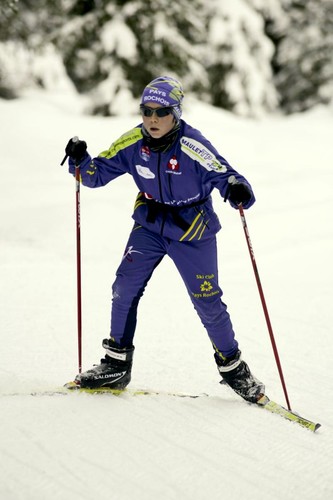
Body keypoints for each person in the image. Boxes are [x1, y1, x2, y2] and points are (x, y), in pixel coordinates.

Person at [64, 76, 265, 403]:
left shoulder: (192, 144)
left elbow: (224, 174)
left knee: (207, 300)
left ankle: (233, 368)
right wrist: (79, 159)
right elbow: (94, 175)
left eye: (161, 112)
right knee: (123, 287)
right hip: (150, 224)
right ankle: (116, 364)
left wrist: (237, 190)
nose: (153, 119)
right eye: (147, 111)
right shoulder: (133, 142)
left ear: (176, 113)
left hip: (192, 229)